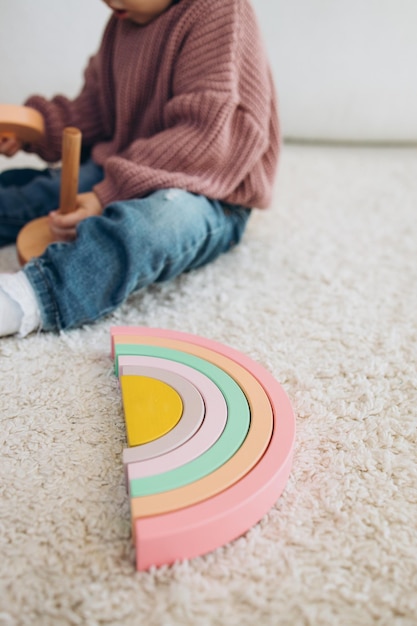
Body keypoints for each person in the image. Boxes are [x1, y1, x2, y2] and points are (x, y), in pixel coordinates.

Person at [0, 0, 279, 337]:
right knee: (47, 189)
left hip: (210, 188)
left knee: (145, 229)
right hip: (129, 165)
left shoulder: (220, 12)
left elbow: (206, 138)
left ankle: (29, 298)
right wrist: (38, 127)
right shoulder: (124, 21)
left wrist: (108, 196)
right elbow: (96, 111)